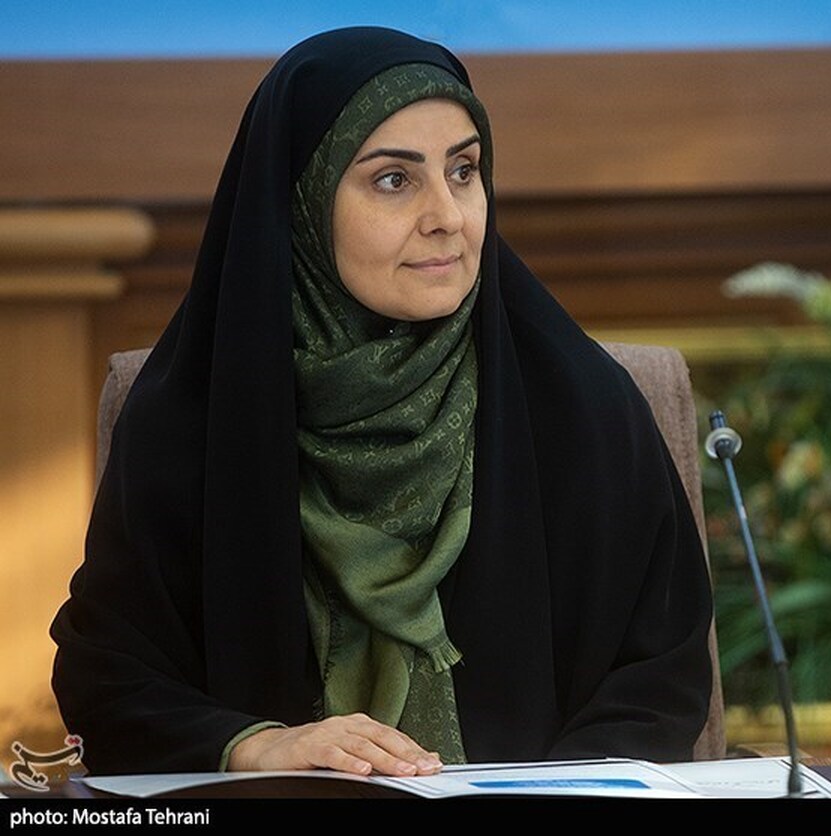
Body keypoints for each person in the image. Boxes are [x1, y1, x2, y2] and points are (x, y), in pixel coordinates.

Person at [49, 26, 713, 777]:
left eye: (464, 171)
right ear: (300, 200)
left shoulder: (583, 406)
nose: (448, 216)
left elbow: (659, 679)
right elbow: (108, 677)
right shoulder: (189, 414)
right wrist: (257, 745)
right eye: (395, 180)